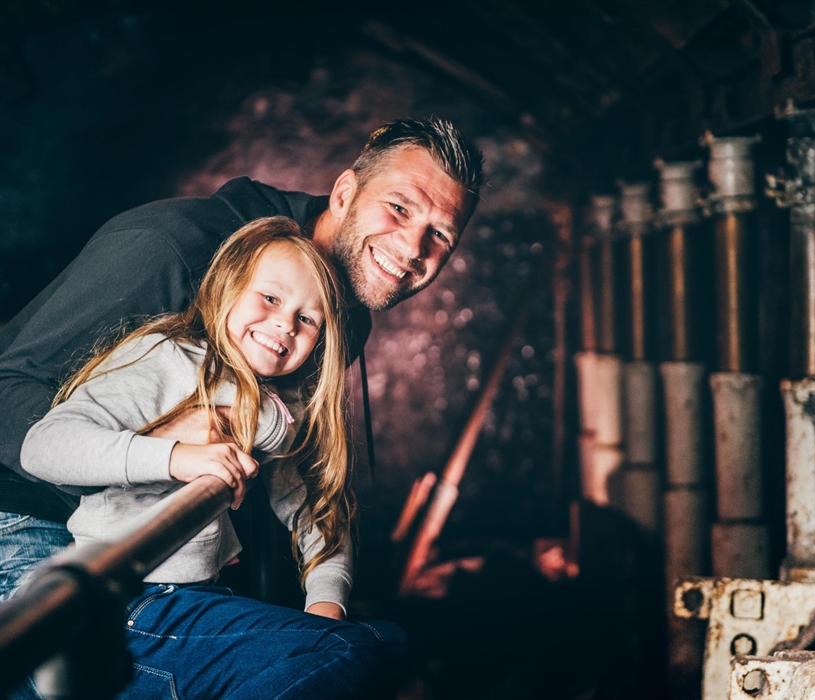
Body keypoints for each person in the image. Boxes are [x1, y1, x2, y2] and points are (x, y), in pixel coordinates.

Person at [0, 117, 485, 600]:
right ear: (343, 194)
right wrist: (153, 447)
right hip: (30, 517)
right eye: (399, 208)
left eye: (441, 235)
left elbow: (279, 464)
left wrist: (320, 595)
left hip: (166, 541)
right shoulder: (172, 246)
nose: (412, 247)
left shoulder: (345, 314)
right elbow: (7, 395)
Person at [16, 216, 387, 698]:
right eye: (270, 298)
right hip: (129, 600)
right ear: (228, 287)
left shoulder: (273, 411)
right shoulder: (169, 357)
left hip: (194, 596)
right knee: (358, 650)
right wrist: (178, 456)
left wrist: (325, 606)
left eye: (307, 319)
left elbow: (316, 515)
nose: (284, 324)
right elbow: (41, 447)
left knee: (375, 642)